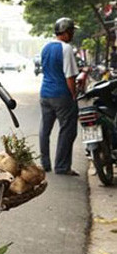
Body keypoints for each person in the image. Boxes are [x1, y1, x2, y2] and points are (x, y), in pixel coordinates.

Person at [39, 17, 79, 176]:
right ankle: (62, 167)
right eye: (72, 31)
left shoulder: (46, 47)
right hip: (61, 94)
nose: (73, 34)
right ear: (67, 32)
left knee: (45, 129)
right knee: (67, 129)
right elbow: (70, 77)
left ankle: (45, 163)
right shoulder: (66, 48)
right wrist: (74, 95)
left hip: (45, 94)